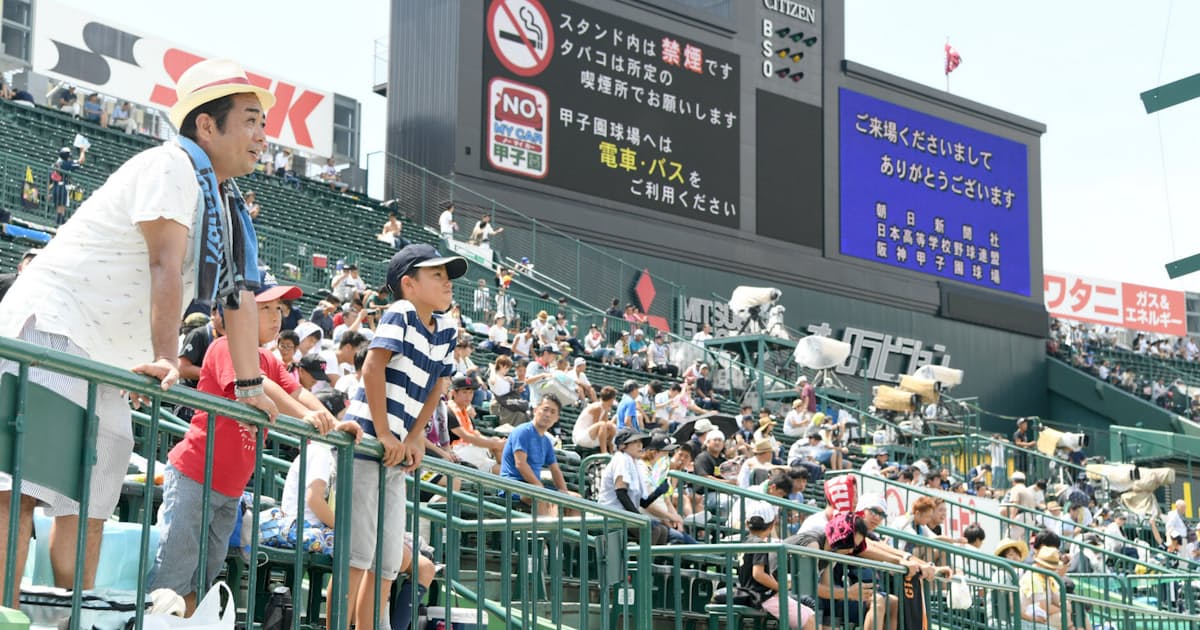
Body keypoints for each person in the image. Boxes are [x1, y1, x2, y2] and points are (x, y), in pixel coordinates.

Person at [0, 59, 278, 602]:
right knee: (20, 490)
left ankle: (66, 620)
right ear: (205, 125)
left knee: (90, 503)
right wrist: (166, 355)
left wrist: (250, 389)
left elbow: (237, 298)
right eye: (249, 121)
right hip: (55, 328)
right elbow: (165, 266)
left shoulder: (228, 203)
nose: (261, 137)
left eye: (263, 125)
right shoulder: (170, 166)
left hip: (105, 356)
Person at [151, 277, 337, 614]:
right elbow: (254, 386)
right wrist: (304, 417)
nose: (276, 316)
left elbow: (296, 391)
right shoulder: (225, 346)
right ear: (242, 312)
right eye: (265, 308)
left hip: (230, 489)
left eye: (279, 309)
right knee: (173, 576)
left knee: (204, 579)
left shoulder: (269, 358)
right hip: (196, 474)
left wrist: (333, 423)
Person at [340, 243, 467, 627]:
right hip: (365, 442)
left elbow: (438, 386)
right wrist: (384, 433)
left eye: (448, 276)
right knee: (358, 560)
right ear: (408, 284)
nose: (447, 284)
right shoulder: (401, 312)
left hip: (396, 448)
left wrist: (413, 437)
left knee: (387, 563)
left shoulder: (446, 326)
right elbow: (372, 370)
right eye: (437, 275)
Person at [740, 503, 817, 630]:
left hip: (757, 595)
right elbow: (758, 574)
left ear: (747, 523)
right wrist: (780, 587)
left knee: (810, 614)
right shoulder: (760, 544)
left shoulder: (746, 541)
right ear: (772, 524)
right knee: (809, 622)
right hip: (762, 597)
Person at [499, 395, 578, 515]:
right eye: (545, 409)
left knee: (576, 500)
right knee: (541, 495)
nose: (548, 415)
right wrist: (538, 485)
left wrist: (564, 492)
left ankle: (570, 533)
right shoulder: (523, 431)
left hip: (533, 487)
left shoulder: (546, 441)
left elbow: (555, 470)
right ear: (536, 410)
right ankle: (543, 533)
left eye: (553, 412)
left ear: (557, 418)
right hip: (513, 485)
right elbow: (521, 464)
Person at [597, 429, 678, 544]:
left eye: (640, 442)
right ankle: (641, 561)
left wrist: (659, 491)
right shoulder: (621, 459)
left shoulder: (634, 462)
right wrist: (637, 518)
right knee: (653, 530)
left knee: (662, 531)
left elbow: (642, 502)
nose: (640, 445)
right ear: (622, 446)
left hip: (624, 514)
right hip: (613, 514)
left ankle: (649, 561)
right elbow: (621, 493)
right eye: (635, 442)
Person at [448, 375, 505, 474]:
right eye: (464, 392)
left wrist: (495, 443)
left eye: (471, 392)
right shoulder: (449, 410)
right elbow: (467, 437)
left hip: (470, 451)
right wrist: (495, 443)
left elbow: (475, 435)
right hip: (456, 454)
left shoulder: (466, 414)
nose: (468, 396)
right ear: (454, 393)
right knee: (496, 442)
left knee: (501, 469)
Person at [573, 386, 618, 453]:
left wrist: (607, 413)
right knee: (602, 425)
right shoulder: (597, 407)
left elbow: (606, 424)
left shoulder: (604, 408)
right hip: (581, 436)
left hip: (590, 436)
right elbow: (597, 425)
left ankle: (611, 451)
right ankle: (604, 452)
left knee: (612, 427)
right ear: (611, 399)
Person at [48, 145, 85, 225]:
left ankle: (59, 222)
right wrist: (82, 151)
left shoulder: (56, 163)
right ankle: (59, 223)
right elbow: (81, 161)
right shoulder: (65, 164)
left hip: (55, 187)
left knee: (59, 207)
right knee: (61, 206)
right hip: (61, 187)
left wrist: (49, 192)